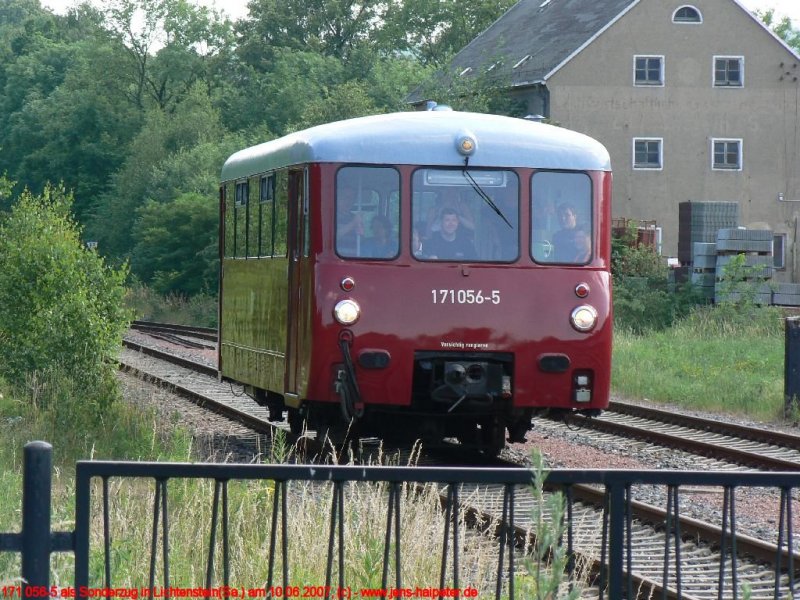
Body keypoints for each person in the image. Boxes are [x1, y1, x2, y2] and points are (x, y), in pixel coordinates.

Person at [336, 185, 364, 255]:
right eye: (345, 197)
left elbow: (361, 242)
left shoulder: (355, 217)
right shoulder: (332, 216)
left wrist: (361, 233)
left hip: (354, 259)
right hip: (338, 260)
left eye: (352, 198)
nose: (348, 201)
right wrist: (353, 223)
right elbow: (333, 237)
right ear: (338, 198)